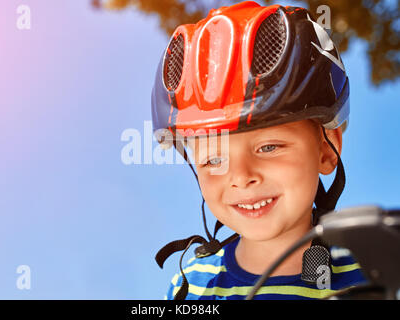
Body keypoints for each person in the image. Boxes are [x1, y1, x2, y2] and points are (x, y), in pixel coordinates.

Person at [151, 1, 367, 300]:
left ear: (326, 150)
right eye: (214, 159)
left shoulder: (371, 275)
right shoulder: (192, 287)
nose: (241, 177)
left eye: (268, 147)